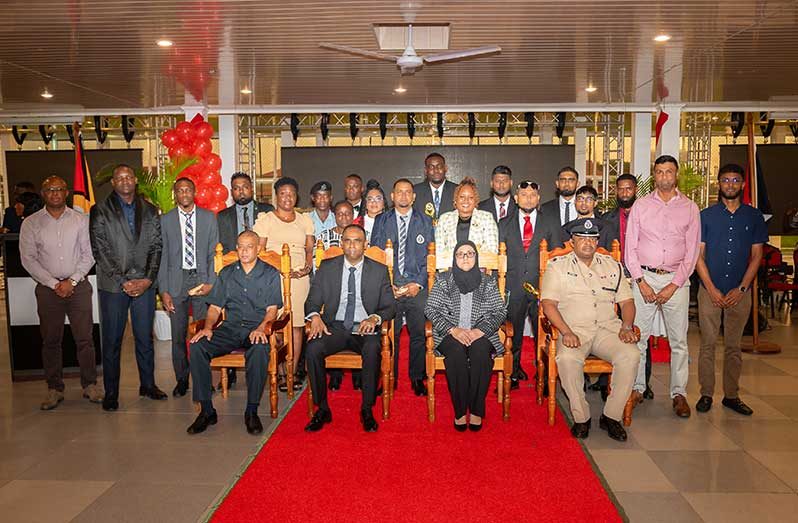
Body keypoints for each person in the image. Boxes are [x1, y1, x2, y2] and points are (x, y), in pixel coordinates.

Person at [540, 219, 641, 441]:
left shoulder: (612, 266)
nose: (587, 243)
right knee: (567, 359)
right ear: (572, 241)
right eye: (582, 238)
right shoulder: (557, 267)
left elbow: (626, 302)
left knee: (631, 354)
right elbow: (548, 305)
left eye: (592, 238)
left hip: (607, 329)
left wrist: (626, 326)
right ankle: (581, 417)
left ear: (597, 241)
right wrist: (565, 332)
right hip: (574, 330)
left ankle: (611, 416)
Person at [187, 230, 283, 435]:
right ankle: (206, 410)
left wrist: (261, 328)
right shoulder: (227, 273)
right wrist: (207, 328)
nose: (244, 250)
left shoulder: (270, 274)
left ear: (258, 248)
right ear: (236, 248)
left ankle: (251, 410)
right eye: (241, 246)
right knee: (197, 345)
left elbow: (272, 310)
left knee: (259, 349)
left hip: (256, 328)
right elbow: (214, 307)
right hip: (230, 328)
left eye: (250, 246)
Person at [625, 155, 700, 418]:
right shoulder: (641, 206)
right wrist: (641, 281)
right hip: (644, 278)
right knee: (638, 338)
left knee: (679, 341)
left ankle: (679, 393)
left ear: (675, 175)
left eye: (669, 172)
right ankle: (636, 388)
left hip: (676, 280)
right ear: (654, 175)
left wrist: (674, 284)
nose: (664, 176)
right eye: (659, 172)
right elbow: (629, 248)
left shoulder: (690, 208)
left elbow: (692, 253)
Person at [19, 176, 101, 410]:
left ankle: (90, 385)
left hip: (79, 288)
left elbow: (89, 254)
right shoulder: (31, 223)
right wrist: (54, 283)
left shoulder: (80, 220)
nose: (55, 193)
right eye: (50, 189)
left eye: (59, 189)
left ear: (66, 193)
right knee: (51, 340)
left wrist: (72, 281)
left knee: (85, 338)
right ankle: (54, 388)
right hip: (48, 290)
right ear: (43, 193)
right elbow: (28, 259)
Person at [304, 225, 396, 433]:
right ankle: (322, 408)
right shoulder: (327, 267)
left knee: (373, 349)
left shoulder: (379, 270)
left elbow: (390, 305)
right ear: (342, 243)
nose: (352, 245)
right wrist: (316, 316)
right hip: (334, 327)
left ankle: (366, 409)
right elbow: (312, 300)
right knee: (312, 349)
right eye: (347, 240)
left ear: (365, 245)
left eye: (357, 241)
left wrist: (374, 317)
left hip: (364, 327)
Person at [89, 164, 165, 411]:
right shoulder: (100, 210)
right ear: (113, 182)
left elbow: (156, 247)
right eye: (119, 178)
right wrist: (124, 281)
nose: (125, 181)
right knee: (112, 341)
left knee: (145, 338)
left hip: (144, 285)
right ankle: (111, 393)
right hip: (114, 287)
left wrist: (147, 279)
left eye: (128, 177)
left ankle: (148, 385)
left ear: (135, 181)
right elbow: (100, 249)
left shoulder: (151, 211)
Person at [695, 163, 767, 416]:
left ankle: (731, 395)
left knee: (734, 347)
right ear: (719, 183)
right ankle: (706, 394)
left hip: (740, 292)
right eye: (725, 180)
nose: (730, 185)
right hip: (709, 290)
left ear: (743, 184)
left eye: (735, 180)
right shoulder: (706, 216)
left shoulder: (753, 216)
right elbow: (698, 256)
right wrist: (711, 289)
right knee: (708, 344)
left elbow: (757, 255)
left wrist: (742, 288)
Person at [425, 241, 507, 431]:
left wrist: (480, 331)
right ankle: (460, 411)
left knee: (480, 353)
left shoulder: (487, 281)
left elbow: (500, 311)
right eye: (460, 254)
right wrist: (453, 330)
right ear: (454, 258)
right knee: (455, 352)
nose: (465, 258)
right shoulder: (444, 280)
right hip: (450, 333)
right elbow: (430, 309)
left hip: (481, 333)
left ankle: (477, 409)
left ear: (476, 258)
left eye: (470, 254)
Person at [371, 178, 435, 396]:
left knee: (418, 333)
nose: (404, 196)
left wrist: (417, 283)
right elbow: (376, 254)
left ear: (414, 196)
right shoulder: (381, 220)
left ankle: (417, 377)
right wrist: (387, 285)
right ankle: (390, 377)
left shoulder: (426, 222)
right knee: (390, 335)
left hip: (416, 287)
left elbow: (430, 256)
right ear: (392, 195)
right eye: (400, 192)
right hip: (390, 287)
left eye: (408, 192)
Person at [157, 177, 219, 397]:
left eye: (188, 190)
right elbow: (161, 257)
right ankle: (181, 379)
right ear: (176, 194)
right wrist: (163, 290)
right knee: (178, 334)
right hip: (176, 281)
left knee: (204, 331)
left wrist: (211, 282)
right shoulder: (165, 220)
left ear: (195, 192)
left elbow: (213, 253)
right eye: (180, 190)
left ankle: (204, 380)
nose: (184, 193)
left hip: (202, 279)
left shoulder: (209, 218)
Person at [252, 177, 314, 391]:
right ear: (275, 196)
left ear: (297, 196)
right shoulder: (266, 220)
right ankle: (277, 373)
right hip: (273, 278)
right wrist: (281, 268)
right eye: (283, 193)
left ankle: (292, 372)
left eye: (291, 193)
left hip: (299, 280)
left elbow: (309, 249)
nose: (287, 197)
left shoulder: (304, 219)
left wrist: (307, 266)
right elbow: (259, 252)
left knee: (296, 326)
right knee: (276, 327)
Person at [499, 180, 562, 388]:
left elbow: (557, 256)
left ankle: (543, 375)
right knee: (512, 332)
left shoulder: (550, 222)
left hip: (541, 289)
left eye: (532, 195)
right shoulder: (504, 223)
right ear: (516, 199)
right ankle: (513, 372)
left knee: (542, 333)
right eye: (524, 195)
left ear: (538, 198)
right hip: (513, 286)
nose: (528, 198)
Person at [597, 174, 654, 400]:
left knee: (639, 328)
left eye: (628, 189)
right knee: (609, 326)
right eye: (620, 189)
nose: (624, 193)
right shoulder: (607, 218)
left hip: (641, 279)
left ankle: (642, 383)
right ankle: (605, 380)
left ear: (635, 190)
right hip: (613, 281)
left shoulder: (647, 216)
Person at [435, 177, 498, 268]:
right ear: (455, 200)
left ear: (475, 201)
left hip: (479, 272)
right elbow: (439, 250)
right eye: (462, 197)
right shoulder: (444, 219)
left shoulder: (487, 218)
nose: (466, 201)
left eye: (470, 197)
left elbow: (492, 250)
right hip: (449, 272)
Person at [217, 172, 274, 253]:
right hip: (234, 261)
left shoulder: (267, 210)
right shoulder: (223, 216)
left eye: (245, 187)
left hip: (262, 260)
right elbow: (222, 246)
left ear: (252, 189)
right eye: (236, 188)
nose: (241, 191)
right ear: (231, 192)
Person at [562, 185, 612, 250]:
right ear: (575, 202)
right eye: (580, 199)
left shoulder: (607, 227)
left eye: (588, 199)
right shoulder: (566, 229)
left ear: (595, 203)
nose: (584, 203)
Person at [414, 152, 457, 223]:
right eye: (431, 167)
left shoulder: (457, 190)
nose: (436, 170)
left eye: (439, 166)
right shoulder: (415, 191)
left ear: (445, 168)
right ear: (425, 171)